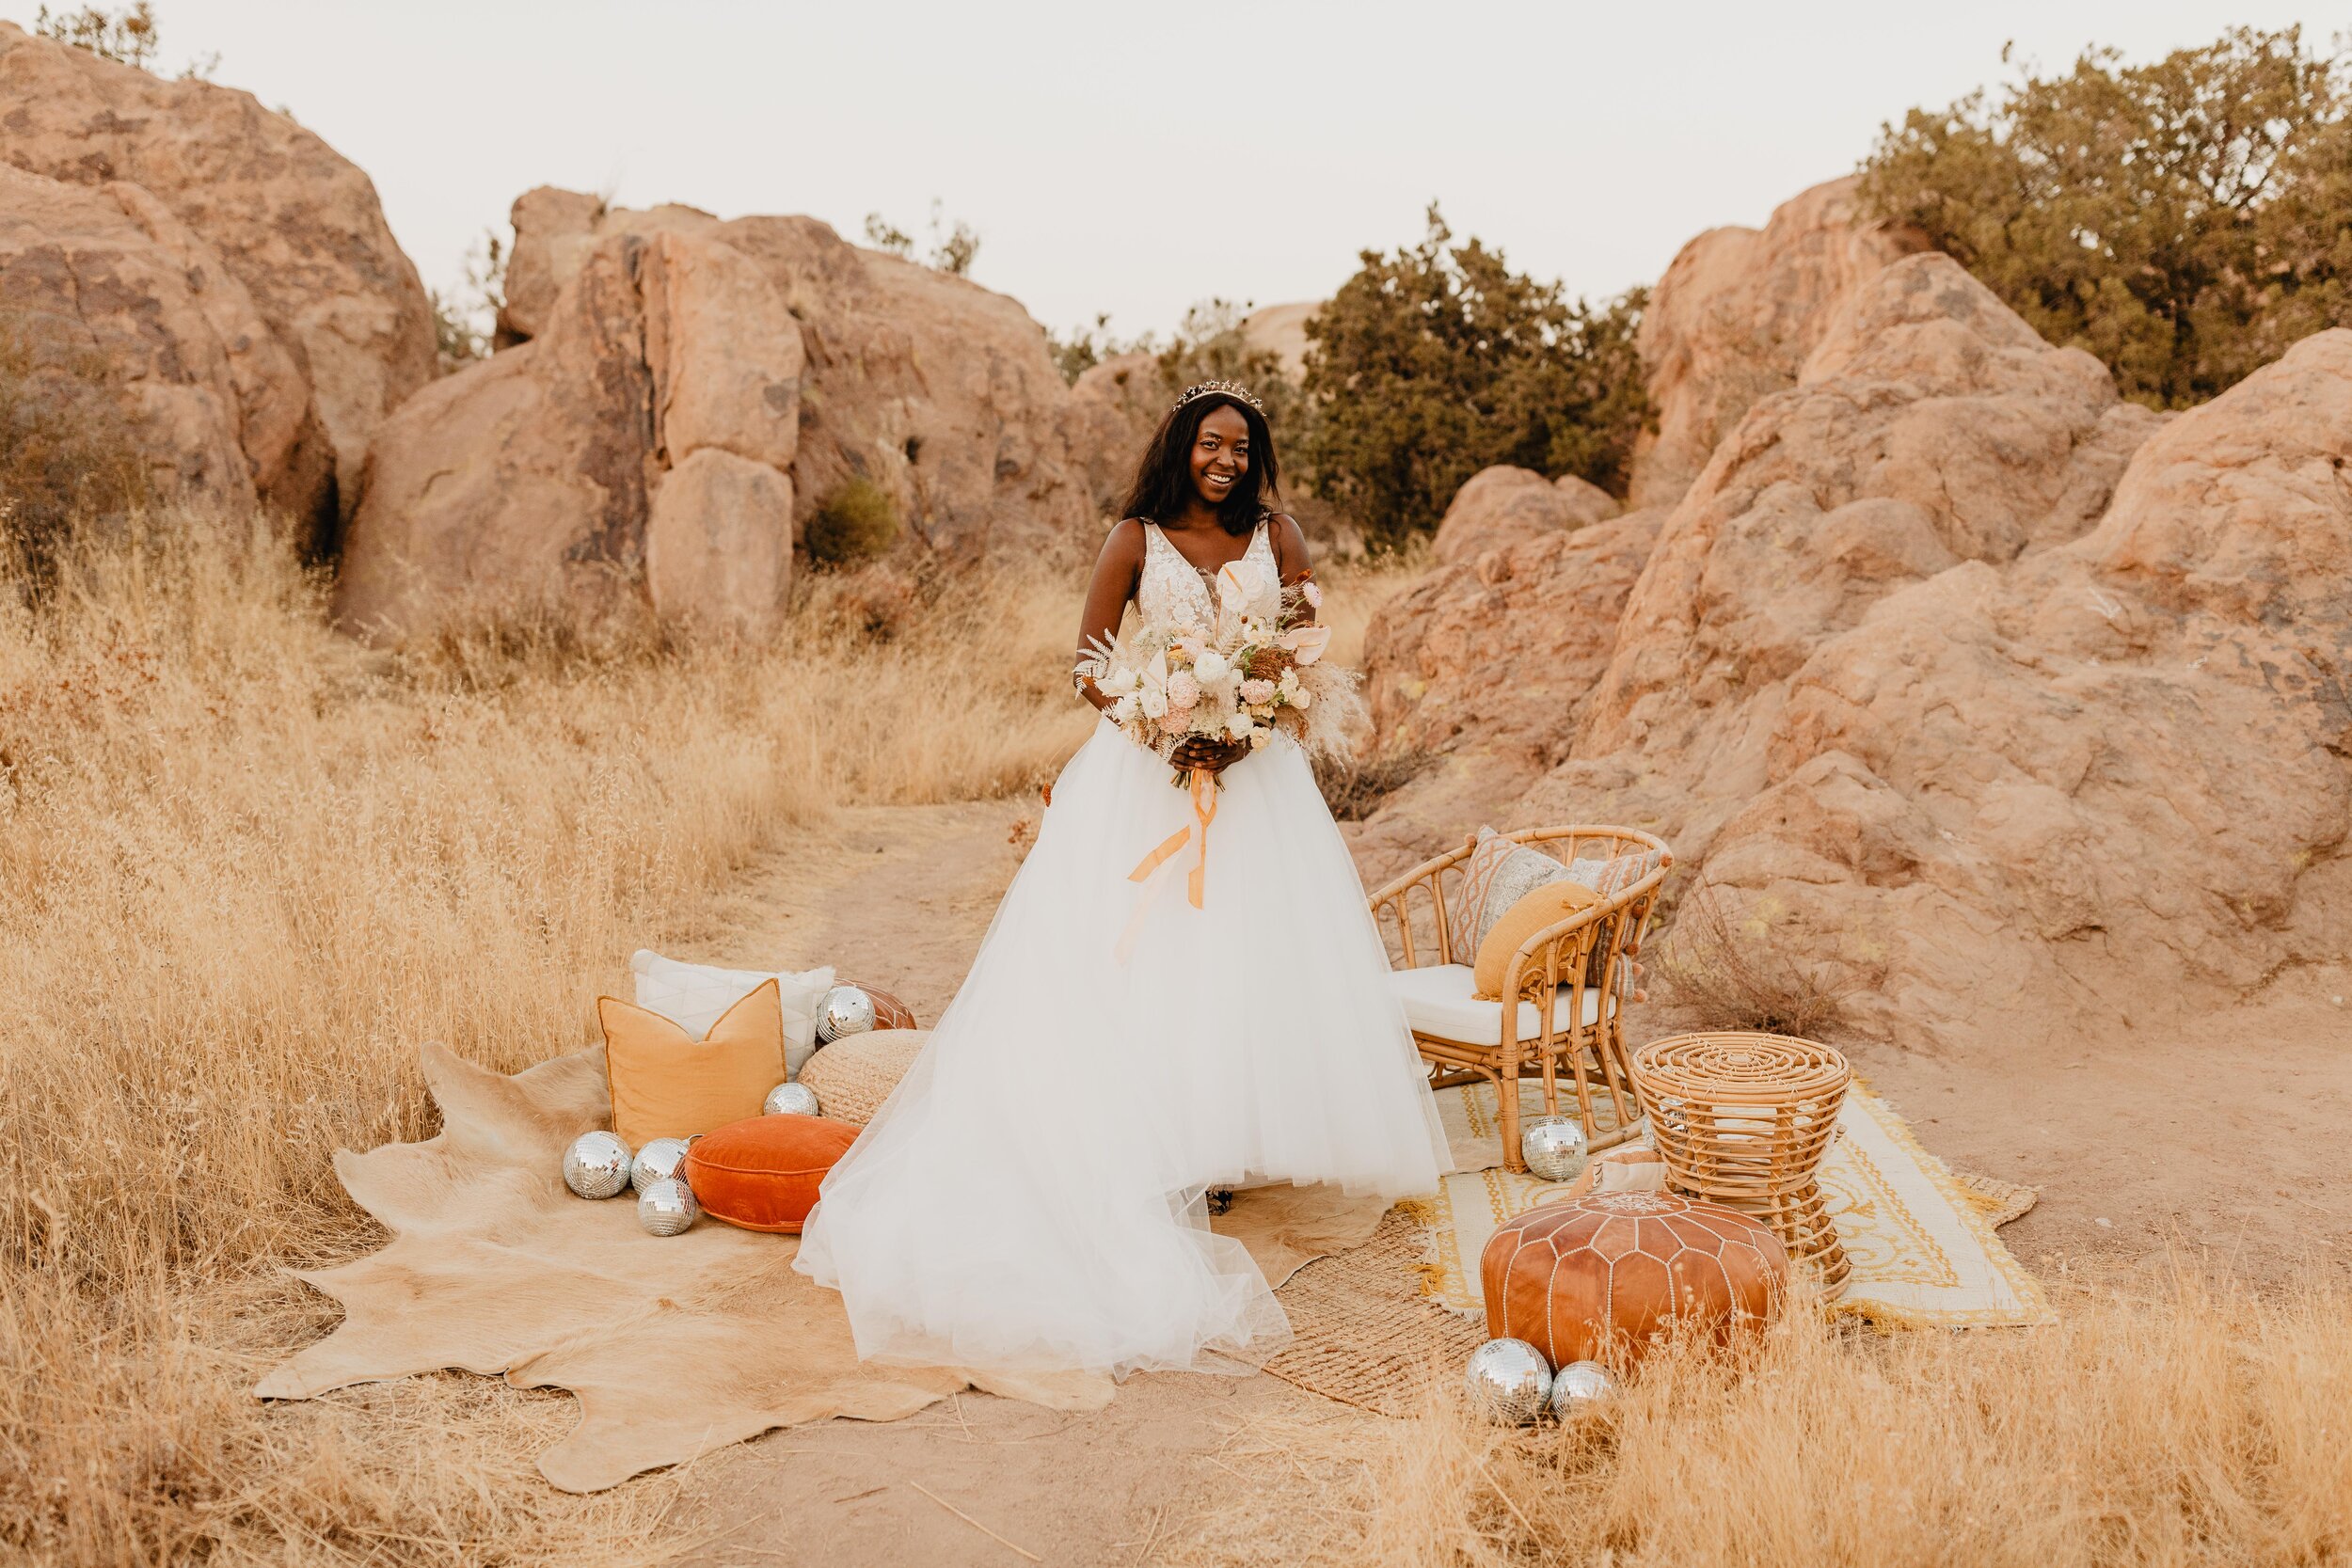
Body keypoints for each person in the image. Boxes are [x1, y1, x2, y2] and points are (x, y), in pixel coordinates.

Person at [794, 382, 1448, 1380]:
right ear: (1180, 448)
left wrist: (1252, 715)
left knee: (1253, 954)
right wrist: (1161, 720)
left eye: (1240, 447)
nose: (1225, 460)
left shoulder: (1280, 533)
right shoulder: (1133, 538)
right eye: (1209, 445)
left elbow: (1306, 647)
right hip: (1143, 777)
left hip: (1258, 780)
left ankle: (1230, 1139)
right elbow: (1089, 664)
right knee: (1141, 954)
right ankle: (1158, 1146)